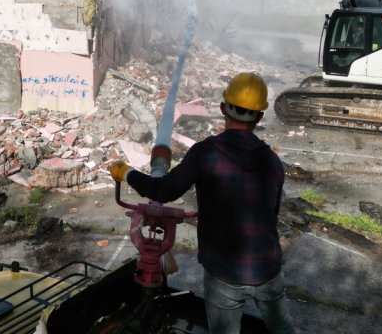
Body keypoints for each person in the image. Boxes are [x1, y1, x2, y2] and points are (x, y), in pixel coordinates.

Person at [109, 72, 295, 334]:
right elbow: (270, 214)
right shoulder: (273, 163)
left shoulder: (206, 154)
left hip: (225, 272)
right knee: (283, 328)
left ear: (222, 109)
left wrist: (126, 173)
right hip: (267, 268)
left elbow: (163, 191)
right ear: (260, 117)